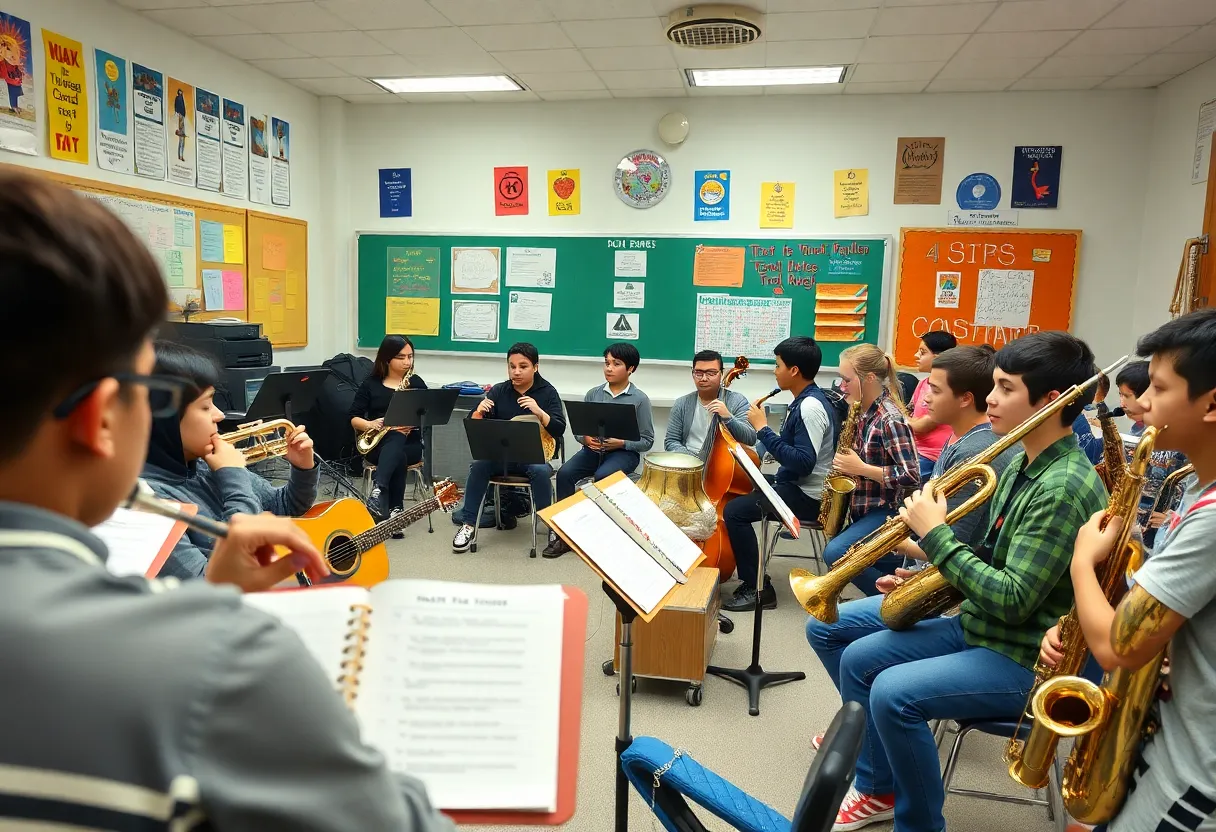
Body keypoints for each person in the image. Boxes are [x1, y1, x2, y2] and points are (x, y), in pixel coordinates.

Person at [0, 170, 450, 830]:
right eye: (149, 389)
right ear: (102, 417)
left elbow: (287, 507)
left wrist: (287, 483)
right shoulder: (215, 658)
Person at [825, 331, 1107, 832]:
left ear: (1051, 400)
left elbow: (1013, 599)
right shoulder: (1021, 459)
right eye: (993, 385)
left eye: (1006, 388)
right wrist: (925, 583)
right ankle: (879, 786)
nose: (990, 399)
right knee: (856, 657)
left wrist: (935, 537)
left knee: (892, 692)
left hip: (1021, 655)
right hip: (983, 626)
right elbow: (989, 557)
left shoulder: (1061, 487)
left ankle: (918, 823)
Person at [1053, 310, 1216, 832]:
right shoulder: (1196, 484)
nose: (1141, 404)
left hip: (1193, 772)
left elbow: (1117, 649)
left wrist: (1083, 564)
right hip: (1165, 734)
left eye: (1159, 389)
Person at [804, 345, 1021, 706]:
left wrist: (900, 547)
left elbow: (957, 546)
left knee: (832, 627)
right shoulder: (960, 439)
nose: (922, 399)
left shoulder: (975, 453)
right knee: (833, 628)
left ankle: (861, 723)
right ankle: (861, 721)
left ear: (965, 399)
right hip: (929, 572)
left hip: (951, 597)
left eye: (933, 389)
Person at [143, 341, 319, 580]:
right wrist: (234, 476)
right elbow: (209, 584)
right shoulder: (151, 501)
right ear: (166, 418)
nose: (220, 415)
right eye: (206, 406)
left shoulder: (203, 463)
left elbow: (285, 507)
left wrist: (302, 468)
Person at [718, 337, 835, 611]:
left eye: (777, 365)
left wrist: (763, 429)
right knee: (744, 486)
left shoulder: (809, 407)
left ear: (794, 371)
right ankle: (750, 572)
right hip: (796, 485)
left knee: (735, 512)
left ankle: (758, 589)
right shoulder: (805, 400)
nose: (775, 371)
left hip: (808, 497)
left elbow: (803, 463)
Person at [821, 343, 920, 596]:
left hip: (886, 510)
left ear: (870, 378)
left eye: (846, 380)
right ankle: (890, 597)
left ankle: (895, 601)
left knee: (836, 553)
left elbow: (911, 475)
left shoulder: (890, 419)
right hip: (863, 507)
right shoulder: (861, 410)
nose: (841, 387)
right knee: (877, 565)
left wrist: (861, 468)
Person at [452, 342, 565, 554]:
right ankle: (468, 525)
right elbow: (474, 428)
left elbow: (559, 429)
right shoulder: (499, 391)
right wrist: (477, 412)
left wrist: (539, 412)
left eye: (523, 366)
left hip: (535, 456)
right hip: (502, 456)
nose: (516, 372)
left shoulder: (548, 392)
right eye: (512, 366)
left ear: (535, 367)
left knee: (540, 471)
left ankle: (550, 524)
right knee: (478, 466)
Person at [544, 342, 654, 558]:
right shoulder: (594, 394)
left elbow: (647, 440)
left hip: (624, 454)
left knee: (604, 476)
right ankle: (563, 536)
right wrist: (585, 439)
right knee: (565, 474)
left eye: (616, 364)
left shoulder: (640, 399)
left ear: (631, 369)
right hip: (592, 451)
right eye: (607, 363)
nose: (609, 368)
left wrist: (622, 443)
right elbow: (579, 432)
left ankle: (601, 534)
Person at [350, 334, 427, 526]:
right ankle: (396, 512)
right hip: (378, 445)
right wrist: (370, 424)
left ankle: (379, 490)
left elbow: (429, 415)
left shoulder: (416, 383)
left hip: (411, 444)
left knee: (398, 442)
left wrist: (414, 423)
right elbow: (353, 418)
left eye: (410, 356)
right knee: (396, 450)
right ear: (386, 358)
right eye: (401, 357)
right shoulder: (370, 384)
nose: (407, 362)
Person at [1114, 359, 1191, 546]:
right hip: (1134, 529)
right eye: (1120, 395)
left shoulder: (1180, 437)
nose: (1121, 403)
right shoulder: (1137, 430)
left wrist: (1176, 519)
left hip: (1165, 536)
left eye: (1126, 396)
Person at [665, 349, 757, 460]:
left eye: (711, 373)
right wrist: (694, 461)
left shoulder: (737, 401)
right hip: (689, 463)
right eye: (699, 373)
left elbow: (750, 438)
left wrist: (728, 418)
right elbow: (671, 441)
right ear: (692, 373)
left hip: (723, 463)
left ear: (721, 373)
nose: (704, 378)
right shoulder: (682, 403)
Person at [906, 331, 958, 482]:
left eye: (922, 352)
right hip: (916, 451)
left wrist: (903, 420)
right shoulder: (922, 383)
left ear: (937, 358)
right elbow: (910, 413)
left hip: (932, 457)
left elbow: (922, 426)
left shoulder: (949, 386)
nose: (916, 355)